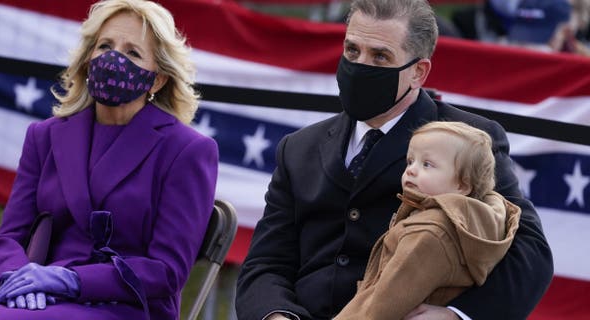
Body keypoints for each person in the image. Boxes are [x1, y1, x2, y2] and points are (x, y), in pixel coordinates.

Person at [235, 0, 553, 319]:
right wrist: (277, 315)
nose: (360, 64)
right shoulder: (299, 147)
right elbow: (266, 263)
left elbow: (530, 253)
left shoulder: (468, 140)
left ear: (418, 71)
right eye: (352, 50)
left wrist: (456, 315)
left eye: (380, 56)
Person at [0, 0, 218, 319]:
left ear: (157, 79)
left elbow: (166, 271)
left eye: (133, 53)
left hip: (123, 305)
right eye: (105, 46)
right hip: (32, 296)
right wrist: (15, 278)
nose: (114, 58)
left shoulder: (187, 150)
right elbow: (8, 238)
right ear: (89, 59)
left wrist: (69, 280)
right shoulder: (45, 136)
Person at [333, 121, 521, 320]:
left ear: (462, 185)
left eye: (427, 164)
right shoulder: (478, 215)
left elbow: (381, 305)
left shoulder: (428, 234)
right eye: (410, 161)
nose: (411, 170)